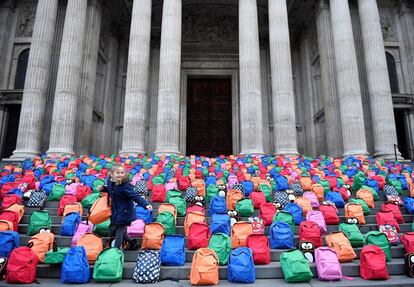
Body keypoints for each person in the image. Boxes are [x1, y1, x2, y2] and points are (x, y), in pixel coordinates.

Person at [106, 163, 153, 249]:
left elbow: (135, 196)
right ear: (112, 174)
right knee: (120, 230)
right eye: (117, 173)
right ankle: (133, 243)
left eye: (122, 173)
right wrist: (103, 188)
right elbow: (110, 189)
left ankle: (115, 251)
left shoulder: (125, 186)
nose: (120, 175)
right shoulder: (110, 182)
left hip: (125, 212)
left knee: (119, 230)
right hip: (115, 211)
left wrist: (145, 204)